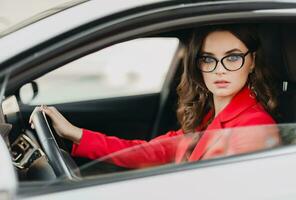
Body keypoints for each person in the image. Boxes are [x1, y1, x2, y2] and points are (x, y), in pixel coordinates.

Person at [30, 24, 281, 168]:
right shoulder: (208, 118)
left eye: (233, 57)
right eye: (208, 59)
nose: (220, 69)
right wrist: (75, 133)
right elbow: (149, 152)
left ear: (252, 62)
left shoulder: (254, 126)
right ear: (197, 64)